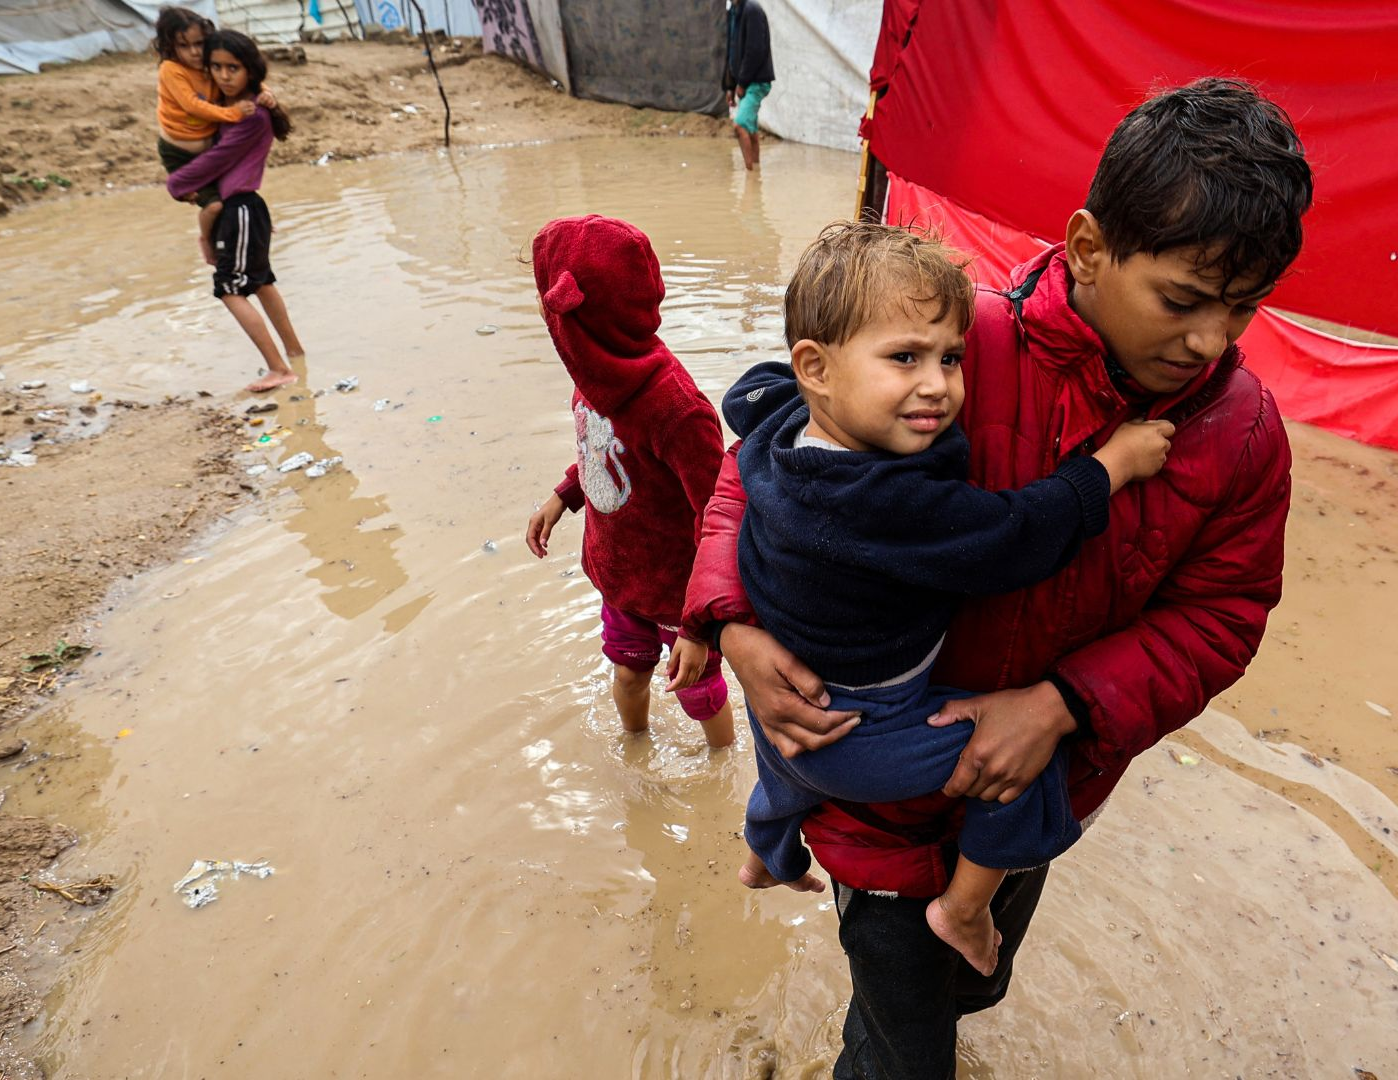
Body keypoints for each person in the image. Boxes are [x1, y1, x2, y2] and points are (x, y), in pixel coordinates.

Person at [682, 77, 1312, 1077]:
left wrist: (1064, 704)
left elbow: (1223, 616)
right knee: (899, 1038)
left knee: (973, 981)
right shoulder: (950, 348)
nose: (1211, 341)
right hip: (878, 796)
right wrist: (731, 624)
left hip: (1044, 782)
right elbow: (765, 466)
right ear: (1091, 248)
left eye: (1243, 309)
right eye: (1184, 301)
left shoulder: (1240, 438)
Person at [725, 222, 1176, 977]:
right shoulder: (875, 500)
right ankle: (962, 911)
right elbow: (1012, 536)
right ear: (817, 368)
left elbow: (747, 393)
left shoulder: (780, 421)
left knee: (785, 769)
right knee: (1025, 764)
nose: (938, 384)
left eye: (952, 357)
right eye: (905, 357)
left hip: (781, 701)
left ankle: (764, 852)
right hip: (863, 727)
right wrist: (1113, 464)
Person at [522, 215, 735, 748]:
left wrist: (697, 627)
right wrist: (564, 495)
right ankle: (635, 752)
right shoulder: (592, 377)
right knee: (627, 674)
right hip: (619, 577)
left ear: (572, 318)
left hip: (677, 594)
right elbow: (603, 452)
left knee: (698, 691)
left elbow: (719, 518)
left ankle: (719, 773)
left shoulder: (676, 412)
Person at [166, 30, 303, 395]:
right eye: (217, 67)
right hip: (247, 209)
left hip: (240, 207)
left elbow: (216, 160)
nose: (224, 76)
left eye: (233, 68)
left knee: (229, 289)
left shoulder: (250, 115)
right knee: (260, 282)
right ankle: (295, 354)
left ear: (250, 70)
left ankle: (279, 369)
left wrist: (176, 184)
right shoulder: (243, 107)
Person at [150, 7, 273, 266]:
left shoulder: (208, 67)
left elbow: (244, 75)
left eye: (199, 44)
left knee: (233, 194)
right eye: (184, 46)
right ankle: (206, 240)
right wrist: (234, 114)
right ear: (170, 47)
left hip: (208, 148)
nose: (194, 52)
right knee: (215, 206)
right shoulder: (171, 70)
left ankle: (253, 230)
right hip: (180, 154)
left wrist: (265, 92)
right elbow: (193, 105)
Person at [722, 0, 775, 170]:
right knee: (750, 128)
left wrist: (742, 83)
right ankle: (756, 171)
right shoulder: (733, 12)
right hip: (746, 81)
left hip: (756, 81)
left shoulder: (752, 10)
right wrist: (729, 86)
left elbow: (755, 50)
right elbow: (731, 51)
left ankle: (750, 176)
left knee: (740, 125)